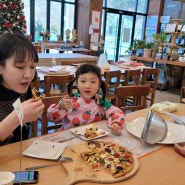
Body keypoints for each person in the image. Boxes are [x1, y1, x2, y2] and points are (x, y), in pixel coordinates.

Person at [47, 63, 124, 135]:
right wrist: (61, 107)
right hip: (69, 137)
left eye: (93, 82)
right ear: (77, 83)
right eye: (83, 81)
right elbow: (51, 118)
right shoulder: (69, 99)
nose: (88, 86)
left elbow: (117, 112)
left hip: (92, 138)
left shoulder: (101, 101)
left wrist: (116, 123)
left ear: (99, 84)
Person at [0, 32, 45, 145]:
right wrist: (17, 117)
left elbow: (23, 134)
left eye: (32, 67)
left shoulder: (26, 92)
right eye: (20, 67)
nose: (29, 75)